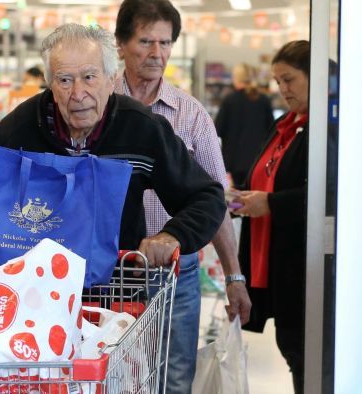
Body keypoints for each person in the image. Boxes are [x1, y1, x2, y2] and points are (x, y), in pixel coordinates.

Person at [0, 24, 225, 304]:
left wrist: (173, 235)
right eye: (64, 80)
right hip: (33, 299)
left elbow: (206, 197)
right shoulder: (22, 128)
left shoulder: (142, 129)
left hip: (115, 298)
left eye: (89, 77)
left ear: (112, 79)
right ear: (50, 84)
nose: (78, 94)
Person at [113, 1, 251, 392]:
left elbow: (216, 200)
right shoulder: (98, 104)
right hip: (111, 272)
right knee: (113, 375)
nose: (158, 54)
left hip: (176, 273)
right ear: (120, 44)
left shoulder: (190, 116)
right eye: (145, 41)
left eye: (166, 42)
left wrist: (233, 276)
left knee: (175, 380)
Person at [232, 40, 334, 394]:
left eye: (289, 79)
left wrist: (270, 204)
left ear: (316, 76)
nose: (283, 89)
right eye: (278, 81)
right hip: (277, 266)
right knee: (294, 354)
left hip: (309, 272)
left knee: (311, 362)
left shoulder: (329, 128)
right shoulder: (287, 127)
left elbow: (332, 197)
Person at [214, 63, 274, 188]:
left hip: (234, 160)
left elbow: (218, 130)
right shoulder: (264, 100)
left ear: (236, 79)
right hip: (259, 159)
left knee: (238, 199)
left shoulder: (230, 100)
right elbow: (271, 130)